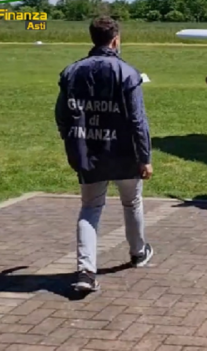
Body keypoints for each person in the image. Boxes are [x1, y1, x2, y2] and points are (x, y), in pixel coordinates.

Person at [55, 16, 154, 293]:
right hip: (124, 153)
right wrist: (145, 157)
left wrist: (71, 142)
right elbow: (138, 121)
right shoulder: (127, 73)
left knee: (90, 208)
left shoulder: (72, 72)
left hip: (89, 151)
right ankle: (138, 252)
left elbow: (62, 115)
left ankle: (86, 271)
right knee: (132, 202)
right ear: (115, 40)